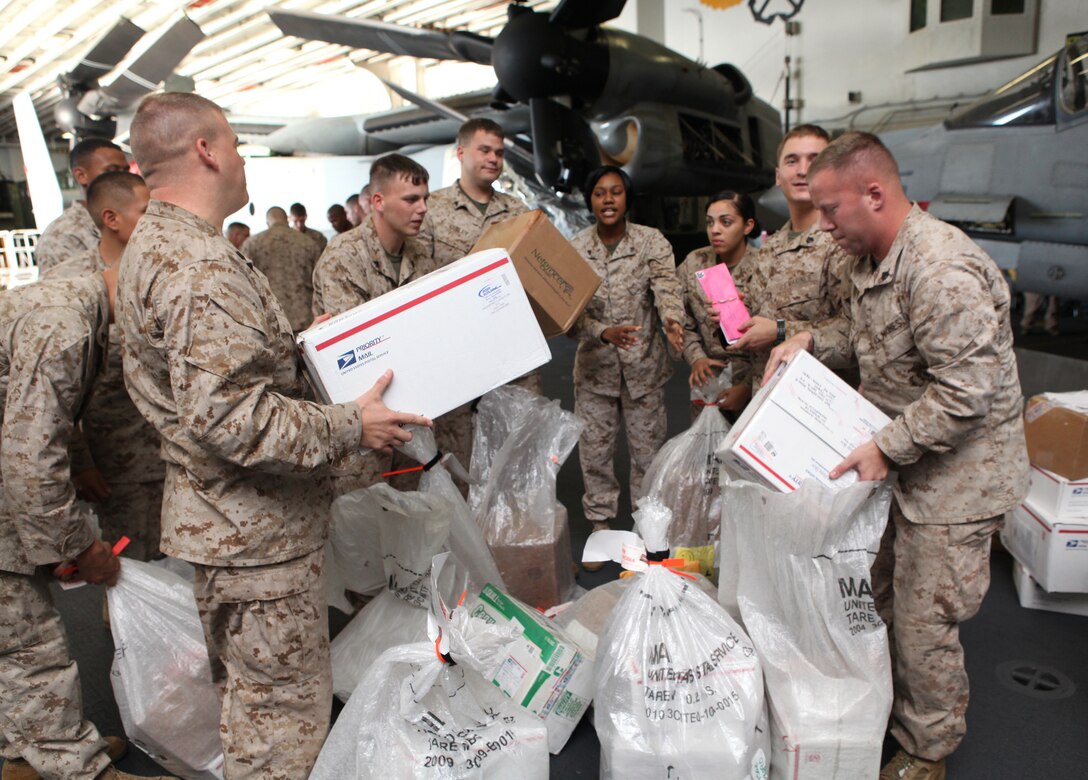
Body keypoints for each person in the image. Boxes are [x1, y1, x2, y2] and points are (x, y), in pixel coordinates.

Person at [118, 92, 430, 780]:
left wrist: (301, 350)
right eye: (232, 141)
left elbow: (211, 386)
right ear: (205, 150)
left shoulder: (165, 246)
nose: (238, 156)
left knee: (251, 712)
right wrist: (356, 421)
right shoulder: (199, 267)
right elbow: (233, 418)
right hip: (255, 539)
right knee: (283, 730)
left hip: (230, 528)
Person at [765, 132, 1029, 780]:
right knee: (876, 599)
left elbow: (968, 392)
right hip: (907, 464)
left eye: (831, 211)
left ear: (874, 194)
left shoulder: (939, 268)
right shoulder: (868, 262)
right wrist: (806, 341)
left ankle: (926, 752)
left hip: (958, 481)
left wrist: (886, 445)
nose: (824, 226)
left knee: (922, 622)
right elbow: (859, 337)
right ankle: (885, 711)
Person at [0, 267, 170, 780]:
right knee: (30, 641)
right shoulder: (64, 323)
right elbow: (29, 456)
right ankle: (77, 769)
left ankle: (26, 752)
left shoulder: (76, 306)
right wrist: (78, 547)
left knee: (11, 632)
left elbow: (43, 418)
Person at [42, 172, 163, 564]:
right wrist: (81, 462)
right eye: (148, 212)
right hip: (115, 458)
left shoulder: (163, 274)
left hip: (172, 450)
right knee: (124, 562)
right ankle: (118, 628)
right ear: (112, 218)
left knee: (178, 566)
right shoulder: (72, 284)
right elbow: (55, 394)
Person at [569, 165, 684, 570]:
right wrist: (602, 331)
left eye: (616, 192)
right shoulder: (576, 248)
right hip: (595, 372)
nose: (608, 200)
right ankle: (601, 529)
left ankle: (645, 532)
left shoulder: (651, 241)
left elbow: (666, 287)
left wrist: (672, 319)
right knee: (596, 455)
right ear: (590, 200)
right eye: (600, 193)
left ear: (626, 197)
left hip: (644, 370)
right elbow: (567, 316)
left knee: (647, 456)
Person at [417, 117, 534, 475]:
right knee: (457, 452)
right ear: (461, 152)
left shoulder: (517, 210)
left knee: (518, 447)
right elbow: (420, 277)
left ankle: (512, 529)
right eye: (484, 149)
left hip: (510, 350)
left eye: (499, 152)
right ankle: (465, 529)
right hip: (456, 351)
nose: (493, 158)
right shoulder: (432, 210)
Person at [312, 153, 433, 494]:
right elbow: (352, 354)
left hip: (410, 419)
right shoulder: (344, 257)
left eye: (425, 198)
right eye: (411, 199)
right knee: (364, 530)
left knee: (412, 524)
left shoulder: (421, 255)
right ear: (377, 201)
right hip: (361, 426)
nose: (422, 208)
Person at [728, 124, 856, 387]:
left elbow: (858, 334)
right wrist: (735, 314)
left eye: (814, 160)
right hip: (765, 398)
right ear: (778, 176)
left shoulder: (844, 244)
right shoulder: (768, 249)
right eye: (792, 160)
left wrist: (780, 331)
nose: (802, 170)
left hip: (817, 404)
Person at [675, 191, 758, 420]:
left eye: (726, 222)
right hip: (707, 380)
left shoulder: (765, 267)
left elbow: (778, 332)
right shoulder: (695, 262)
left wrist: (747, 387)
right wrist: (696, 357)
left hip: (755, 385)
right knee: (707, 451)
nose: (715, 230)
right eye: (710, 222)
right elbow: (679, 319)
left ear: (748, 226)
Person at [34, 138, 129, 273]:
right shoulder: (61, 236)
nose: (123, 177)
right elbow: (63, 291)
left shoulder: (130, 221)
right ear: (81, 176)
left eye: (125, 170)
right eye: (112, 170)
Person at [241, 206, 322, 334]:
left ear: (268, 223)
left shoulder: (252, 244)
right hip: (306, 319)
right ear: (287, 220)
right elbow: (319, 282)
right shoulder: (308, 243)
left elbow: (244, 284)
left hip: (271, 321)